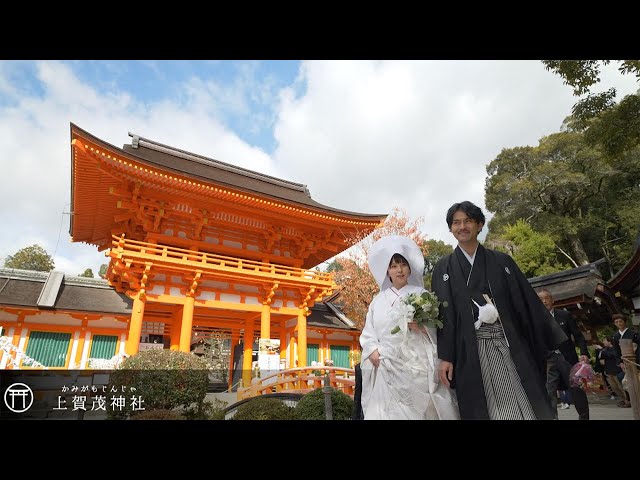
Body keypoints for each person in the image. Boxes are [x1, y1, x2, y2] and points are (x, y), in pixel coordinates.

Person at [431, 201, 566, 420]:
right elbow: (443, 317)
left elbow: (526, 304)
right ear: (450, 228)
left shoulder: (501, 261)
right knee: (484, 407)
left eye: (468, 221)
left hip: (508, 343)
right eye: (456, 223)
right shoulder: (443, 268)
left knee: (523, 400)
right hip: (469, 350)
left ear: (480, 225)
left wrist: (543, 341)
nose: (462, 227)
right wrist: (446, 357)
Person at [359, 235, 459, 420]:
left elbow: (437, 328)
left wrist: (423, 326)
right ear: (387, 271)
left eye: (403, 265)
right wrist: (372, 349)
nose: (399, 270)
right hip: (386, 362)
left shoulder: (422, 295)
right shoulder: (377, 300)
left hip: (416, 362)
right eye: (394, 266)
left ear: (409, 268)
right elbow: (368, 332)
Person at [537, 288, 590, 420]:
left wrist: (584, 352)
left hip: (567, 358)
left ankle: (584, 417)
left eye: (546, 298)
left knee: (576, 389)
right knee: (549, 392)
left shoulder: (564, 315)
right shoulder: (535, 320)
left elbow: (578, 336)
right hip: (548, 360)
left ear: (552, 300)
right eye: (540, 299)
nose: (544, 301)